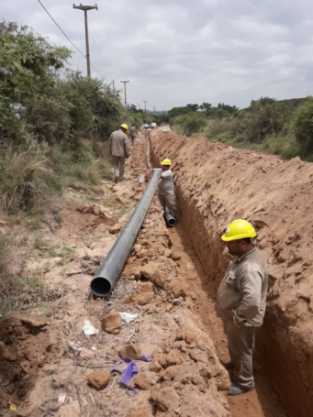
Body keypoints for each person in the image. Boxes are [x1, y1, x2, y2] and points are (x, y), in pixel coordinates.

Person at [216, 219, 268, 396]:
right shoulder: (244, 257)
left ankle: (246, 382)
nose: (227, 245)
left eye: (230, 242)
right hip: (238, 313)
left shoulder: (249, 268)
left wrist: (238, 316)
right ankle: (235, 362)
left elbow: (252, 300)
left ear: (244, 243)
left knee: (244, 347)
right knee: (237, 344)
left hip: (244, 316)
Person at [158, 159, 177, 227]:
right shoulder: (164, 171)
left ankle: (172, 221)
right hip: (162, 193)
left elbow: (161, 176)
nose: (161, 166)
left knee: (170, 206)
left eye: (162, 165)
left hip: (169, 193)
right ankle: (166, 221)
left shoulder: (168, 172)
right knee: (163, 207)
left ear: (166, 166)